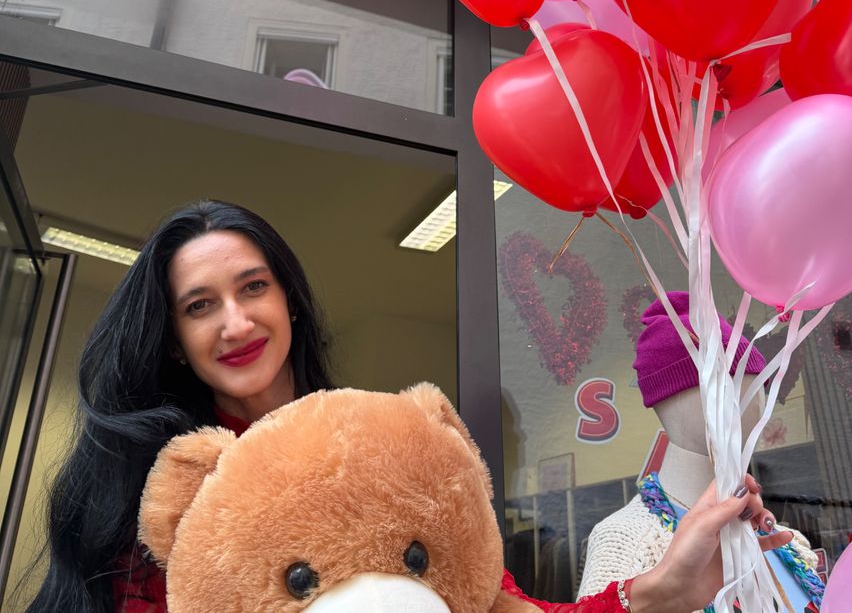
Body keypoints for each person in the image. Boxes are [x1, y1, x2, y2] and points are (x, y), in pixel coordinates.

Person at [23, 201, 791, 613]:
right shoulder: (174, 508)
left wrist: (650, 595)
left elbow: (499, 610)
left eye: (253, 287)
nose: (236, 322)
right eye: (200, 305)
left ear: (288, 298)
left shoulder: (383, 447)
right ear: (172, 338)